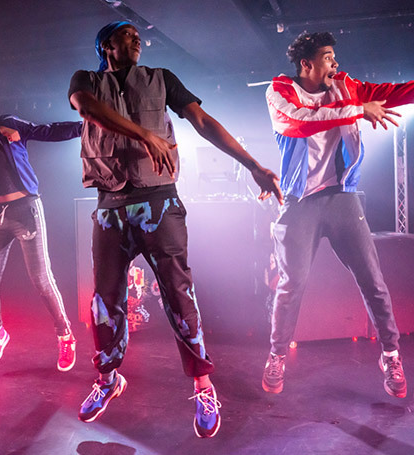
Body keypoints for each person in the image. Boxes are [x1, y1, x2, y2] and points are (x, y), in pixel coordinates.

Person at [67, 21, 282, 438]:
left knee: (179, 295)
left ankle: (203, 384)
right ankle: (108, 379)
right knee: (104, 303)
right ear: (107, 44)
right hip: (110, 206)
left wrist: (253, 165)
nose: (138, 40)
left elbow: (202, 121)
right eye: (127, 35)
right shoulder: (87, 80)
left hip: (159, 202)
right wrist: (144, 133)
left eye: (138, 36)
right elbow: (87, 108)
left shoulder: (162, 79)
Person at [262, 31, 414, 397]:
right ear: (306, 65)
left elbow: (397, 93)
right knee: (291, 284)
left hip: (342, 197)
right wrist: (359, 110)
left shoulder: (346, 89)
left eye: (334, 57)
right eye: (328, 58)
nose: (335, 64)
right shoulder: (280, 91)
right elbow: (302, 120)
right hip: (299, 202)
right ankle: (277, 355)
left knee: (373, 281)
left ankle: (391, 354)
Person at [0, 89, 83, 372]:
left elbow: (45, 131)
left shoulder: (10, 121)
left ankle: (65, 334)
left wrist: (84, 126)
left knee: (41, 280)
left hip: (25, 211)